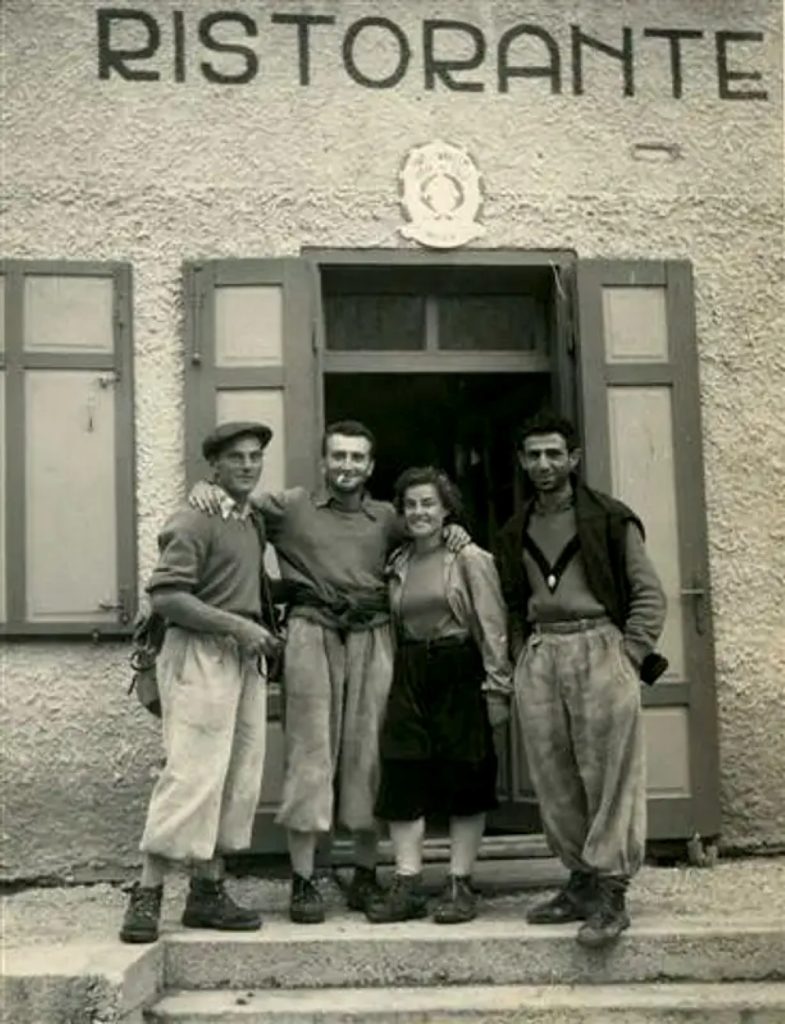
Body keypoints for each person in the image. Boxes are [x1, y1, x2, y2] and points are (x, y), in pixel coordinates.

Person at [190, 421, 469, 925]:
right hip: (310, 633)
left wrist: (452, 529)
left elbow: (429, 535)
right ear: (324, 462)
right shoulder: (291, 507)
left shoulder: (387, 517)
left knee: (369, 751)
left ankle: (364, 873)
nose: (347, 466)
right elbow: (236, 509)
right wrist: (205, 487)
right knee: (309, 753)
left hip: (373, 634)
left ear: (371, 466)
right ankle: (303, 879)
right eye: (338, 456)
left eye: (357, 458)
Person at [494, 410, 667, 949]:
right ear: (522, 462)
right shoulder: (514, 528)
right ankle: (580, 881)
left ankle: (612, 891)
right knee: (553, 775)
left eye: (554, 454)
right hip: (544, 653)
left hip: (600, 646)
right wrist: (524, 657)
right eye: (533, 455)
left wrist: (630, 655)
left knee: (609, 774)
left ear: (573, 458)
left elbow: (649, 594)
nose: (544, 464)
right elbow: (512, 602)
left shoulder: (611, 519)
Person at [120, 422, 280, 944]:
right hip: (200, 653)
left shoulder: (249, 518)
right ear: (213, 466)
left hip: (243, 657)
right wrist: (238, 625)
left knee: (236, 777)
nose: (248, 466)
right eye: (236, 458)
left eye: (255, 457)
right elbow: (167, 596)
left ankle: (207, 894)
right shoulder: (195, 516)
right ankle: (146, 897)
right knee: (190, 774)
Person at [366, 467, 513, 925]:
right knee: (402, 767)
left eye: (428, 503)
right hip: (409, 668)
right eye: (410, 505)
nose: (418, 512)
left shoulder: (469, 558)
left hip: (459, 666)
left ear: (447, 508)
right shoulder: (398, 562)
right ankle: (407, 882)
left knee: (465, 772)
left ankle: (459, 883)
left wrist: (497, 687)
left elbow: (492, 626)